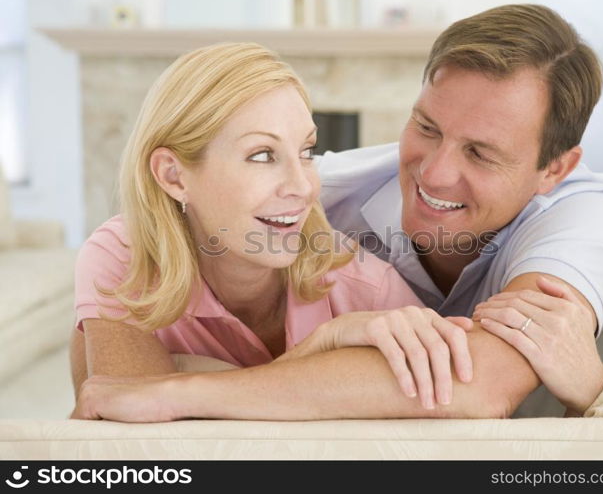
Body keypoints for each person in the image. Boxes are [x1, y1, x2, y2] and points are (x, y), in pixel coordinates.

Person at [72, 3, 603, 422]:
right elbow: (111, 403)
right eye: (427, 128)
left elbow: (476, 384)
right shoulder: (315, 194)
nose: (434, 173)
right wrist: (320, 353)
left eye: (481, 153)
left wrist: (179, 388)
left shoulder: (582, 223)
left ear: (553, 169)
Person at [69, 41, 477, 417]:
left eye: (306, 152)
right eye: (262, 155)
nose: (302, 186)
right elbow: (132, 445)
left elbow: (454, 415)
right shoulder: (124, 258)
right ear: (174, 175)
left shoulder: (367, 288)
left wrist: (181, 377)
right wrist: (325, 348)